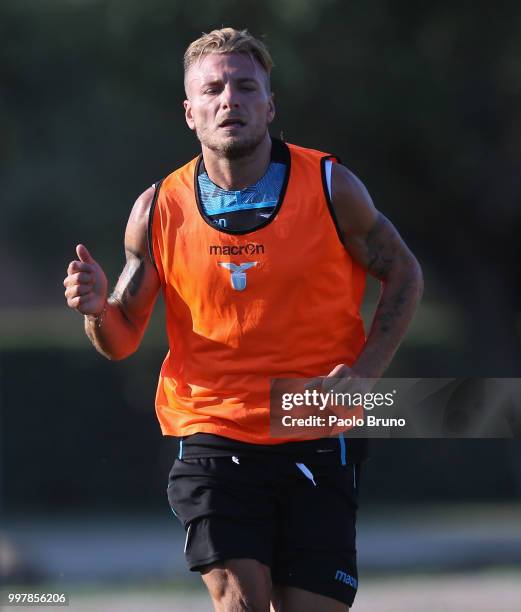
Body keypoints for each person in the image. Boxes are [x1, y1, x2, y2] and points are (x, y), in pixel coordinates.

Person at [63, 27, 423, 612]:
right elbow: (120, 338)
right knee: (240, 602)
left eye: (245, 86)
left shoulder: (331, 187)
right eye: (213, 89)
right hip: (211, 429)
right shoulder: (158, 208)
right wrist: (98, 310)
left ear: (269, 105)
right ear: (190, 112)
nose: (229, 99)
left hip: (313, 424)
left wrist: (366, 374)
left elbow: (404, 274)